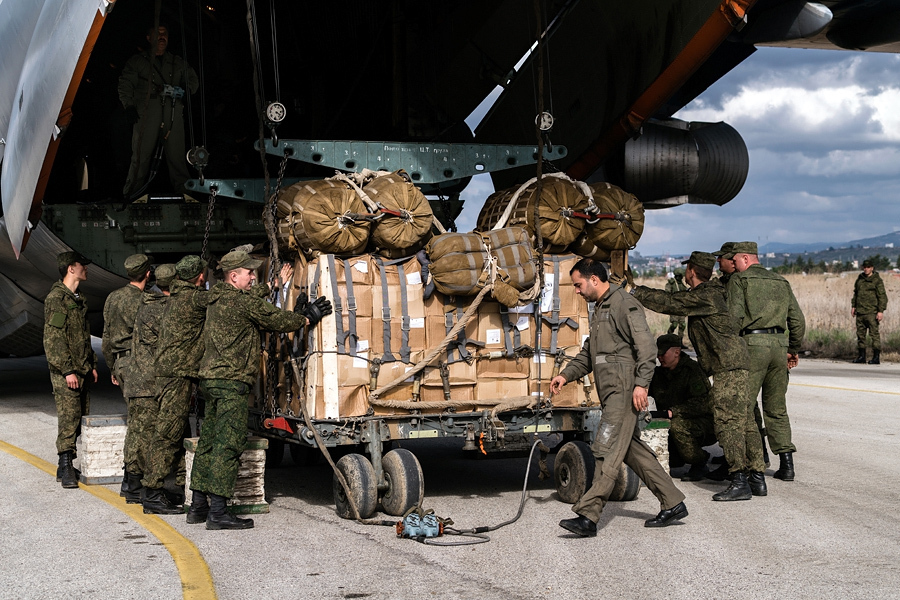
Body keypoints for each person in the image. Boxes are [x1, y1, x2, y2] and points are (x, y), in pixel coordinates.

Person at [189, 250, 332, 530]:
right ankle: (218, 512)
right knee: (228, 445)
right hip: (232, 384)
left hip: (212, 381)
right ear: (234, 276)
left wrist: (272, 285)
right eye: (249, 273)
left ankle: (198, 505)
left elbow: (251, 301)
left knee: (208, 442)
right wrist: (307, 316)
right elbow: (278, 321)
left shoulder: (217, 298)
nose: (254, 276)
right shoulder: (243, 305)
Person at [551, 258, 687, 536]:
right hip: (611, 390)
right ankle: (673, 502)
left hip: (624, 391)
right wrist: (566, 375)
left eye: (578, 285)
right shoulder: (600, 308)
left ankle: (588, 516)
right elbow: (591, 354)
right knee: (631, 451)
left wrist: (641, 385)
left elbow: (647, 347)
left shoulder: (624, 304)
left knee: (605, 450)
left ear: (594, 280)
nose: (576, 290)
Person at [634, 252, 766, 501]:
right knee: (746, 422)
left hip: (728, 366)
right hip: (736, 364)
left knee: (728, 422)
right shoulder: (714, 292)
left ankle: (739, 479)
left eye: (688, 269)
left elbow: (671, 303)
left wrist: (635, 291)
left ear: (692, 271)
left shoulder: (705, 295)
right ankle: (756, 477)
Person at [725, 241, 806, 482]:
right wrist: (792, 349)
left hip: (752, 346)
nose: (734, 266)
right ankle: (787, 464)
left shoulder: (740, 281)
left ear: (746, 259)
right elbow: (798, 321)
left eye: (736, 261)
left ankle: (755, 461)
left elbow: (734, 318)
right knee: (777, 407)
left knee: (745, 405)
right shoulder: (781, 281)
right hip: (779, 346)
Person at [144, 255, 211, 517]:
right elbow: (228, 299)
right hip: (176, 376)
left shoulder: (175, 297)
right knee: (167, 435)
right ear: (200, 277)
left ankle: (156, 490)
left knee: (170, 431)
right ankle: (151, 492)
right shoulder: (193, 298)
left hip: (170, 374)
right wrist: (267, 285)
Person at [121, 263, 182, 515]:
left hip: (136, 377)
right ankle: (145, 490)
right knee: (152, 436)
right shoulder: (164, 309)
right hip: (150, 382)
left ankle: (133, 485)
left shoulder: (146, 303)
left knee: (138, 433)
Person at [118, 24, 199, 199]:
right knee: (140, 157)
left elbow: (192, 80)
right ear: (149, 38)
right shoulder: (138, 62)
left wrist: (185, 89)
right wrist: (129, 106)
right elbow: (125, 84)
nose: (162, 37)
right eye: (158, 33)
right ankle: (131, 195)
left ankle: (186, 195)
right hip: (147, 114)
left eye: (165, 34)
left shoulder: (177, 62)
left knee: (177, 157)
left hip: (173, 114)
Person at [44, 252, 99, 489]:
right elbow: (53, 338)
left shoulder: (78, 298)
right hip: (66, 371)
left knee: (79, 416)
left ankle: (65, 465)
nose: (86, 268)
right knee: (69, 417)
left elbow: (83, 337)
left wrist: (92, 363)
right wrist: (67, 370)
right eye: (82, 265)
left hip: (82, 368)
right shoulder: (57, 299)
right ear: (70, 269)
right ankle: (65, 463)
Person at [102, 253, 153, 502]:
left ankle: (131, 480)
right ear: (147, 273)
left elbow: (106, 338)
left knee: (136, 419)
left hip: (121, 363)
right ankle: (133, 482)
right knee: (141, 425)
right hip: (138, 364)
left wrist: (113, 367)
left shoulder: (113, 298)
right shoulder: (145, 301)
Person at [649, 334, 716, 482]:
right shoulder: (660, 373)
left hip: (703, 423)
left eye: (663, 353)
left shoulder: (692, 371)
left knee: (677, 425)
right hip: (674, 421)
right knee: (673, 461)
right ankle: (682, 455)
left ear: (677, 352)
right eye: (658, 354)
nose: (659, 357)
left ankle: (699, 461)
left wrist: (674, 412)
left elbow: (703, 403)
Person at [851, 259, 887, 365]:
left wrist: (880, 311)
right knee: (860, 335)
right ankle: (862, 356)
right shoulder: (860, 279)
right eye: (865, 267)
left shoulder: (877, 280)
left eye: (868, 267)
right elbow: (856, 293)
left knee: (874, 335)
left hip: (872, 312)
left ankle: (876, 357)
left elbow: (882, 296)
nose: (866, 269)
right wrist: (853, 306)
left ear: (872, 268)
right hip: (860, 312)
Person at [665, 271, 687, 335]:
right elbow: (667, 293)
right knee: (674, 324)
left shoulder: (681, 284)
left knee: (682, 325)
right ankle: (669, 335)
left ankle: (680, 341)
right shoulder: (671, 283)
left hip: (681, 307)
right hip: (673, 307)